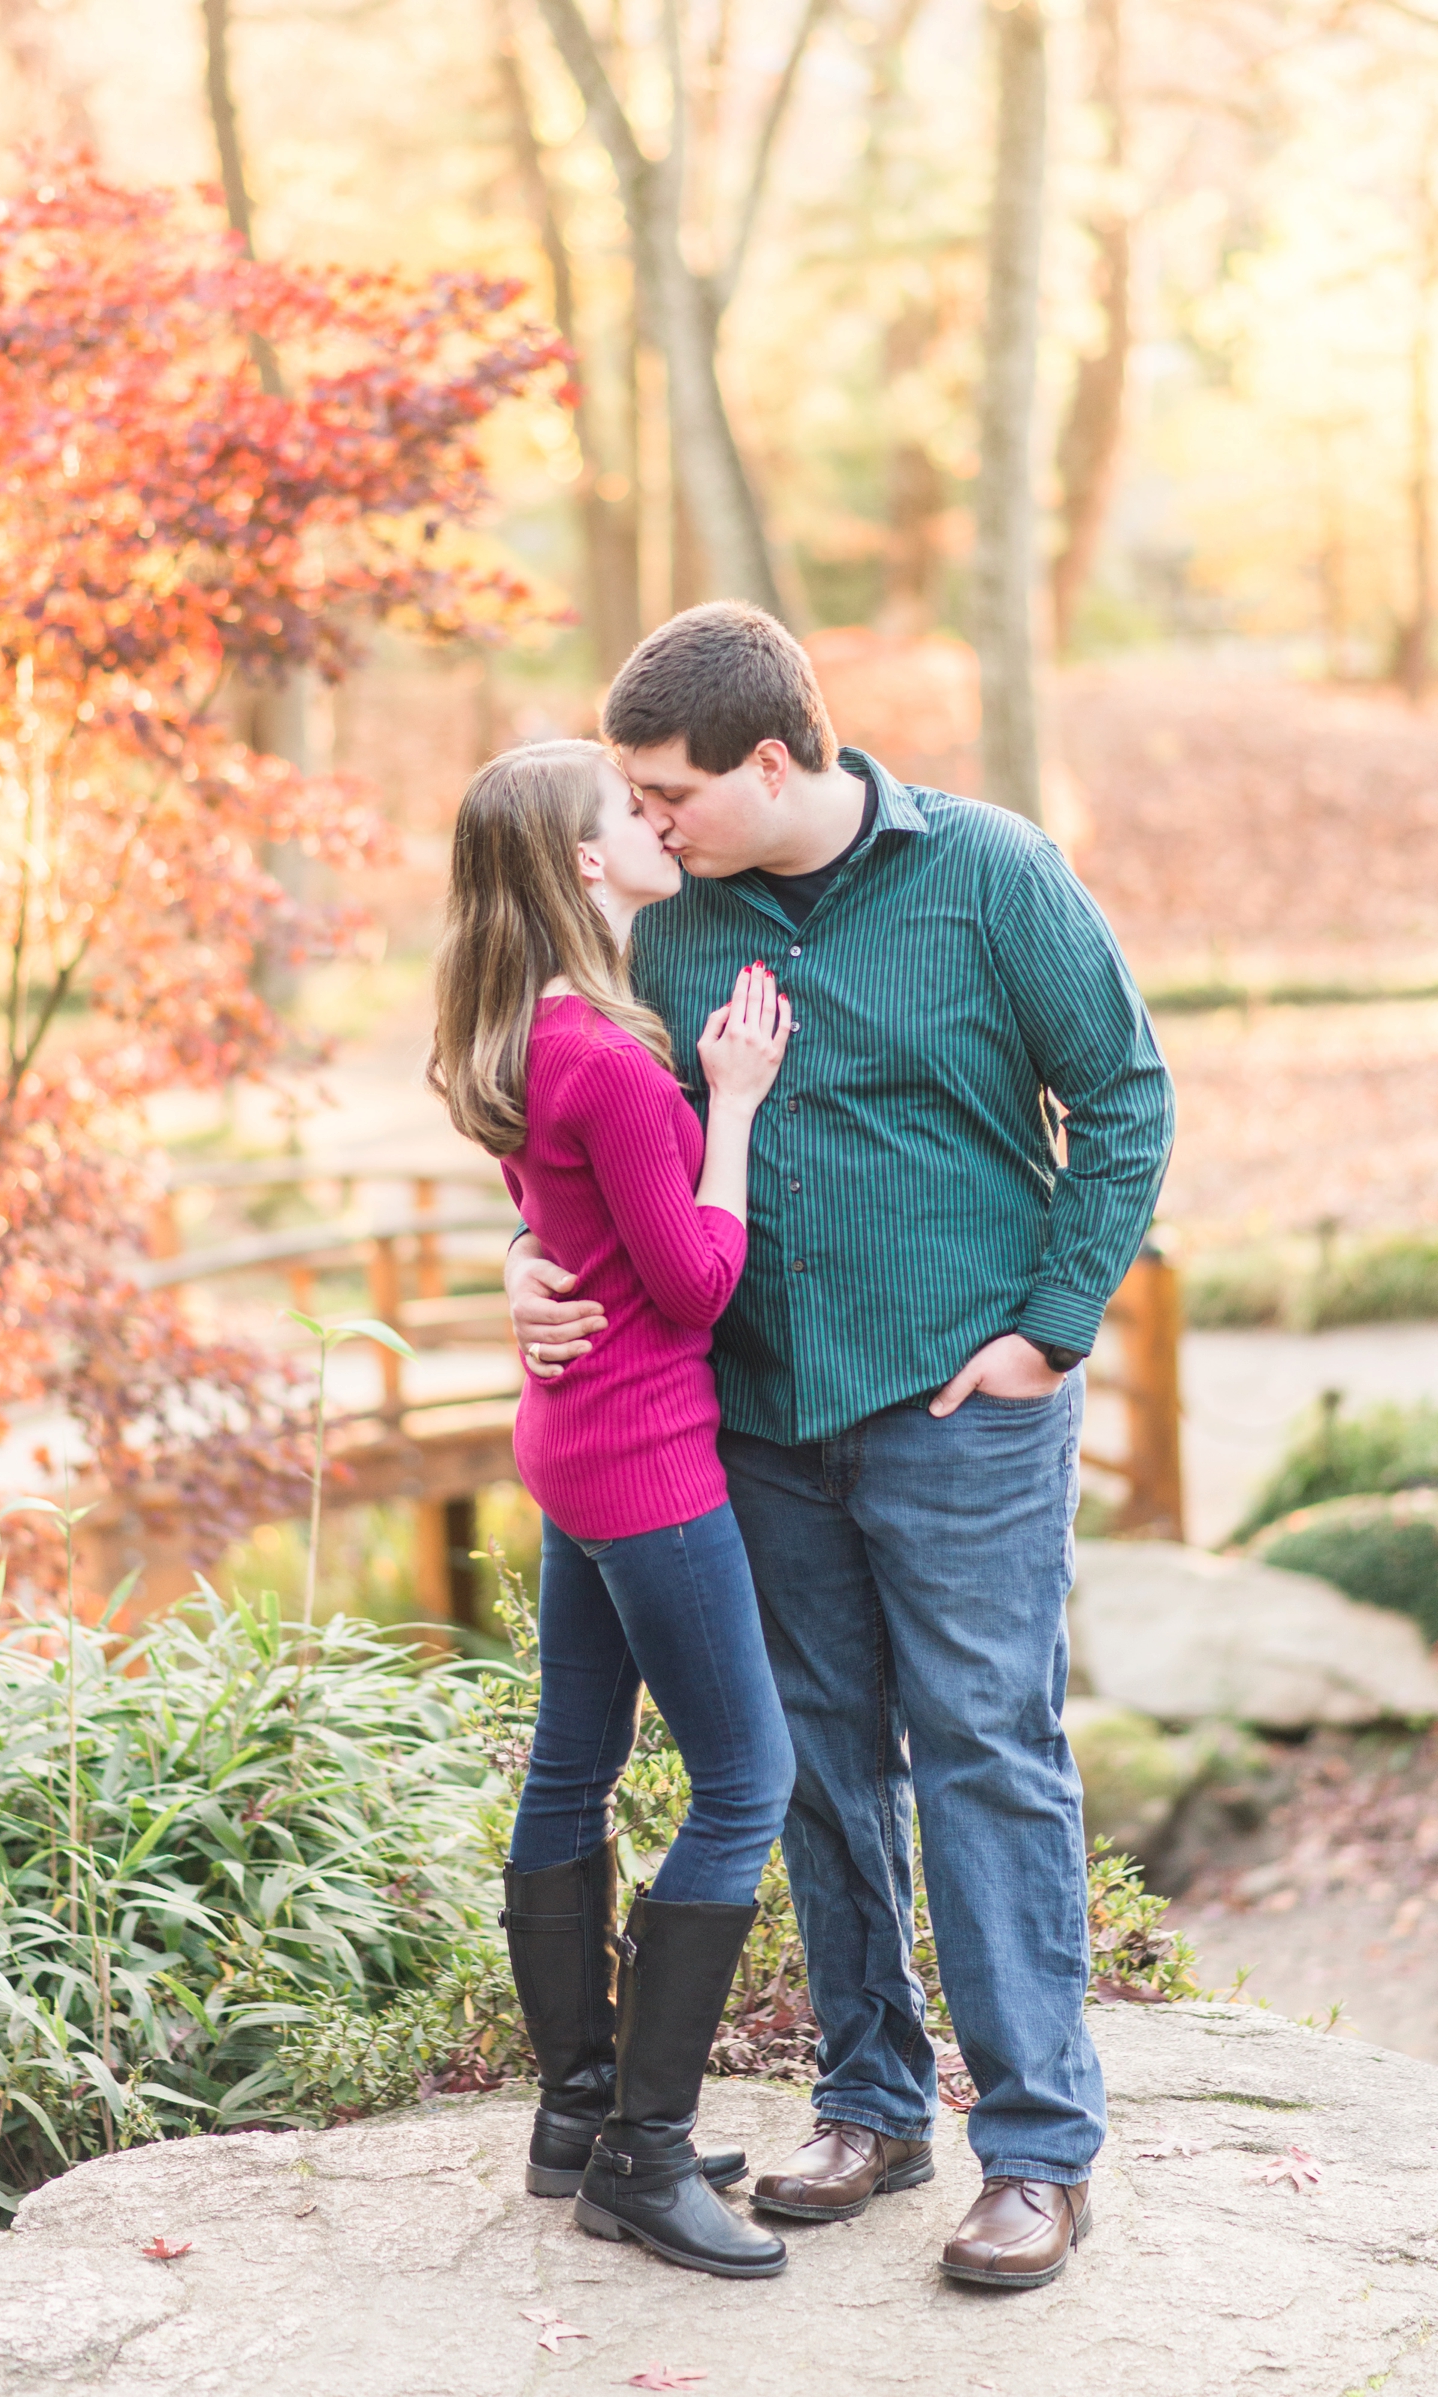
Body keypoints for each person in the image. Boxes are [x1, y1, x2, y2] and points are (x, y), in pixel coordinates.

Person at [506, 607, 1176, 2292]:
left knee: (981, 1752)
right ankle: (872, 2101)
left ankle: (1039, 2151)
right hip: (748, 1414)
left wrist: (1050, 1324)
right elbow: (576, 1124)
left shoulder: (992, 875)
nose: (646, 823)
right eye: (633, 799)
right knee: (814, 1763)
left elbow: (1127, 1094)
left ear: (773, 763)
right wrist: (522, 1264)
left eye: (671, 792)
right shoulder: (660, 922)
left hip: (962, 1414)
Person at [427, 737, 797, 2281]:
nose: (654, 826)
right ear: (585, 865)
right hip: (646, 1457)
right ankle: (641, 2158)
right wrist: (739, 1102)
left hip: (567, 1442)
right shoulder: (616, 1063)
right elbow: (697, 1281)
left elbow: (550, 1214)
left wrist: (523, 1261)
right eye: (627, 816)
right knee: (746, 1783)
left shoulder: (520, 1034)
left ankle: (575, 2115)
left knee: (571, 1764)